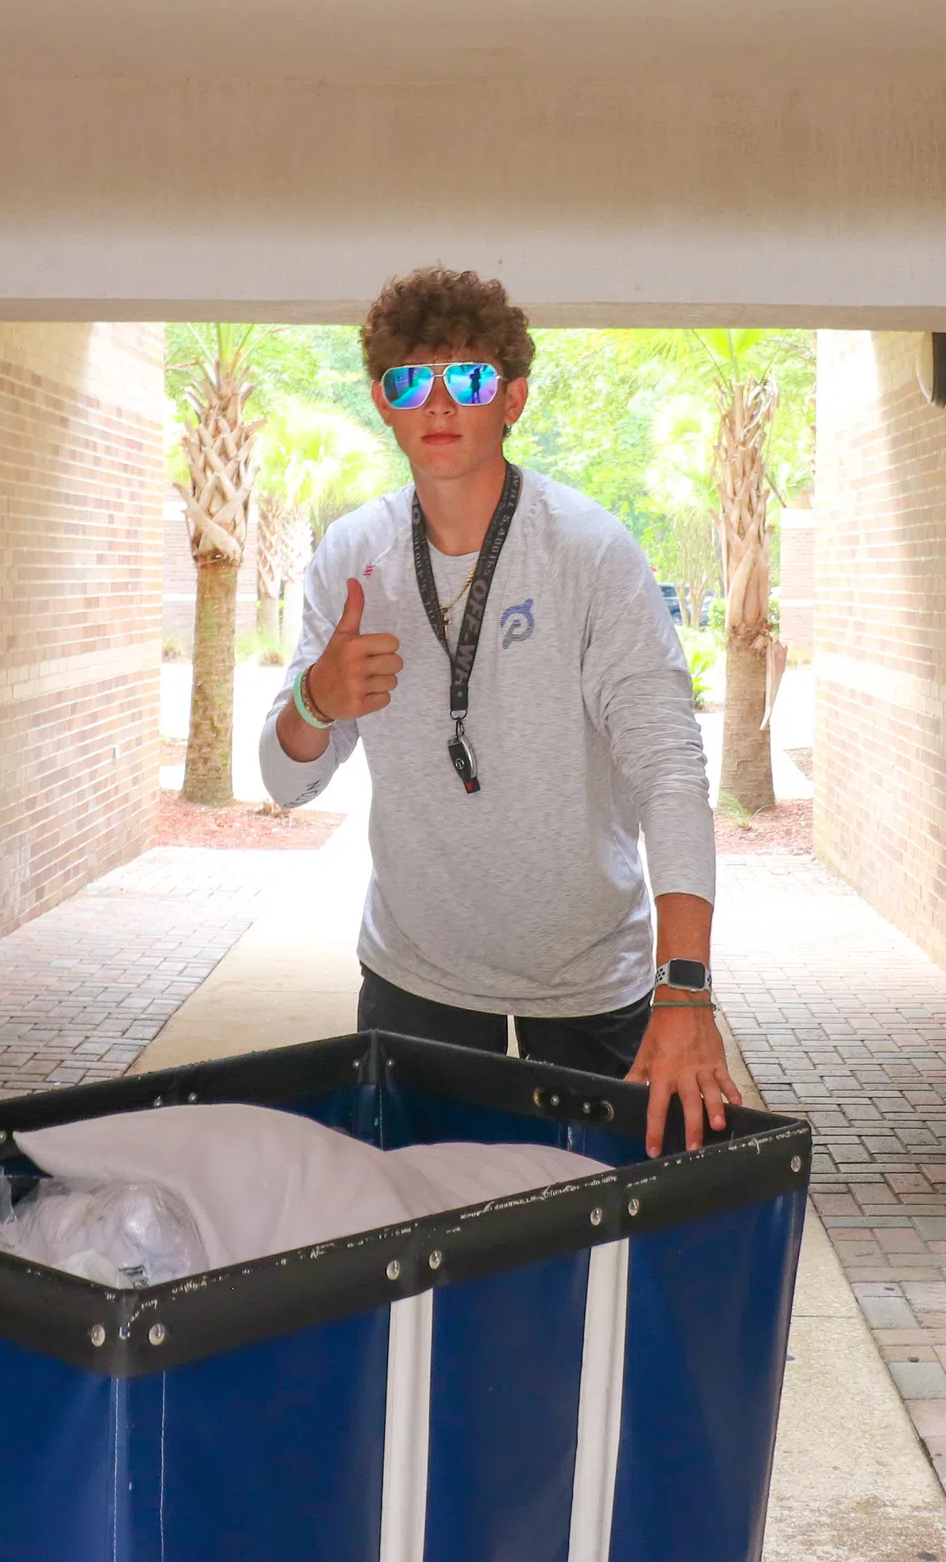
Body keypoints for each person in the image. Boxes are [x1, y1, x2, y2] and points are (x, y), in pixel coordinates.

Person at [261, 268, 738, 1157]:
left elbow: (669, 772)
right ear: (382, 402)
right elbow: (287, 777)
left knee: (601, 1252)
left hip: (592, 981)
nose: (438, 402)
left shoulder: (591, 553)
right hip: (417, 978)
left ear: (512, 397)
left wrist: (684, 991)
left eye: (469, 380)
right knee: (426, 1251)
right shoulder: (353, 555)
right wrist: (313, 699)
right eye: (411, 381)